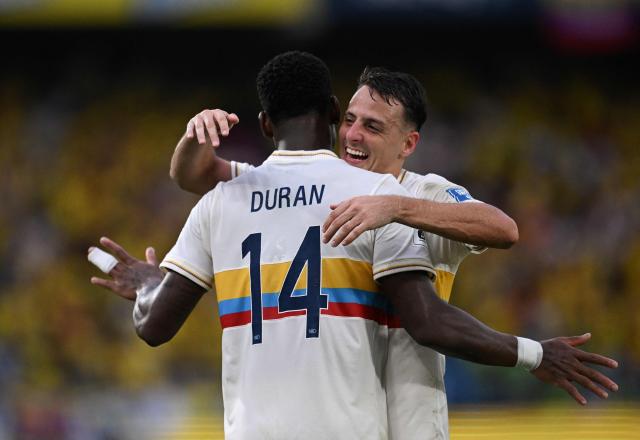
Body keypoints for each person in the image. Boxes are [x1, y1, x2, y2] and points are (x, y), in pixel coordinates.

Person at [89, 52, 618, 439]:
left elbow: (503, 229)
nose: (355, 136)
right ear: (333, 112)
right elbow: (195, 176)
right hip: (351, 423)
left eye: (373, 126)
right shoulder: (348, 189)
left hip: (398, 419)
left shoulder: (412, 193)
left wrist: (397, 205)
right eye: (350, 121)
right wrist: (190, 143)